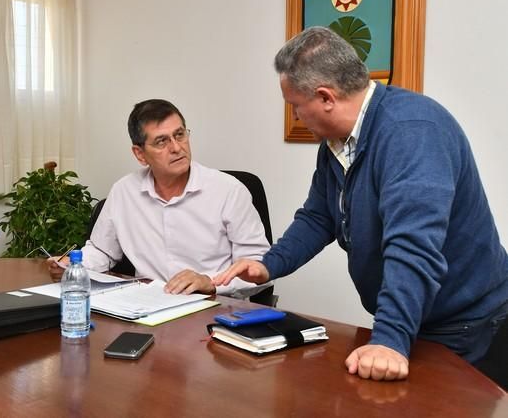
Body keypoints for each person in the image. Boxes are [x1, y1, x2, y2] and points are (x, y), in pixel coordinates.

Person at [214, 27, 508, 381]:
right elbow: (318, 216)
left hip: (466, 324)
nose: (295, 117)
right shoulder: (337, 145)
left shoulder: (412, 132)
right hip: (417, 316)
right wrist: (269, 265)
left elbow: (413, 247)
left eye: (295, 107)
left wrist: (389, 339)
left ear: (325, 97)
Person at [49, 99, 269, 296]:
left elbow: (258, 265)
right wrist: (72, 264)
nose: (176, 148)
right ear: (140, 154)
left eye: (180, 134)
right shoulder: (124, 192)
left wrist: (210, 283)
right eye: (162, 141)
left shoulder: (229, 191)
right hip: (147, 307)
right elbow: (102, 250)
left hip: (214, 309)